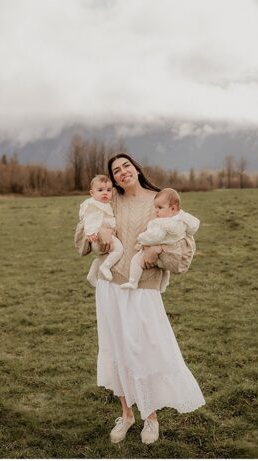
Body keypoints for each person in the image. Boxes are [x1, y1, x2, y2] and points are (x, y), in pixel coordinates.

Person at [73, 153, 204, 444]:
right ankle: (127, 414)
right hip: (110, 287)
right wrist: (100, 233)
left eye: (126, 166)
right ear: (113, 178)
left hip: (143, 288)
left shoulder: (160, 199)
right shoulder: (109, 200)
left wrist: (157, 250)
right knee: (116, 349)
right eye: (116, 170)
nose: (122, 172)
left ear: (136, 168)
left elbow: (182, 246)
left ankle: (151, 418)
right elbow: (85, 238)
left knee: (144, 350)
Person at [122, 188, 200, 293]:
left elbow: (155, 237)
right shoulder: (182, 220)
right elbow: (193, 227)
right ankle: (163, 286)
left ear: (173, 209)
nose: (156, 211)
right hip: (173, 252)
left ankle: (133, 281)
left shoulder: (163, 223)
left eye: (160, 208)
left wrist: (141, 238)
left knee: (136, 259)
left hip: (164, 250)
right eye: (155, 208)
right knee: (165, 268)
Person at [80, 174, 123, 287]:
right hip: (98, 235)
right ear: (92, 193)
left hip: (102, 234)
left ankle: (91, 275)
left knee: (101, 257)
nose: (105, 193)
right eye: (100, 190)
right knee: (118, 250)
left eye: (108, 190)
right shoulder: (94, 205)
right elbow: (90, 220)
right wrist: (91, 233)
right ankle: (105, 267)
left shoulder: (104, 204)